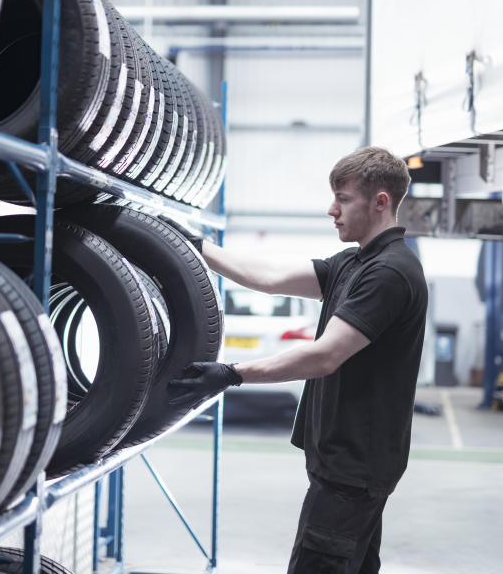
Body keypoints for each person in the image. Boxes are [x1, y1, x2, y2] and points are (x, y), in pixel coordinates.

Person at [168, 146, 428, 573]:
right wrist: (197, 247)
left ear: (380, 201)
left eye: (343, 199)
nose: (332, 210)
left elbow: (325, 356)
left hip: (353, 468)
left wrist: (232, 373)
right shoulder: (355, 262)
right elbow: (269, 279)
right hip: (346, 463)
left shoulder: (389, 273)